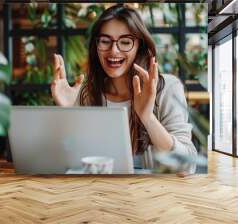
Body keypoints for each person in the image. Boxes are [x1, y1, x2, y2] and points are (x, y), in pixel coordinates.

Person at [50, 4, 197, 174]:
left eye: (125, 42)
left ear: (139, 47)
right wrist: (69, 112)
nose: (113, 50)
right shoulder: (86, 93)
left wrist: (148, 118)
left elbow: (187, 166)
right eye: (105, 41)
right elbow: (73, 164)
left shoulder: (167, 88)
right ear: (96, 47)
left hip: (154, 195)